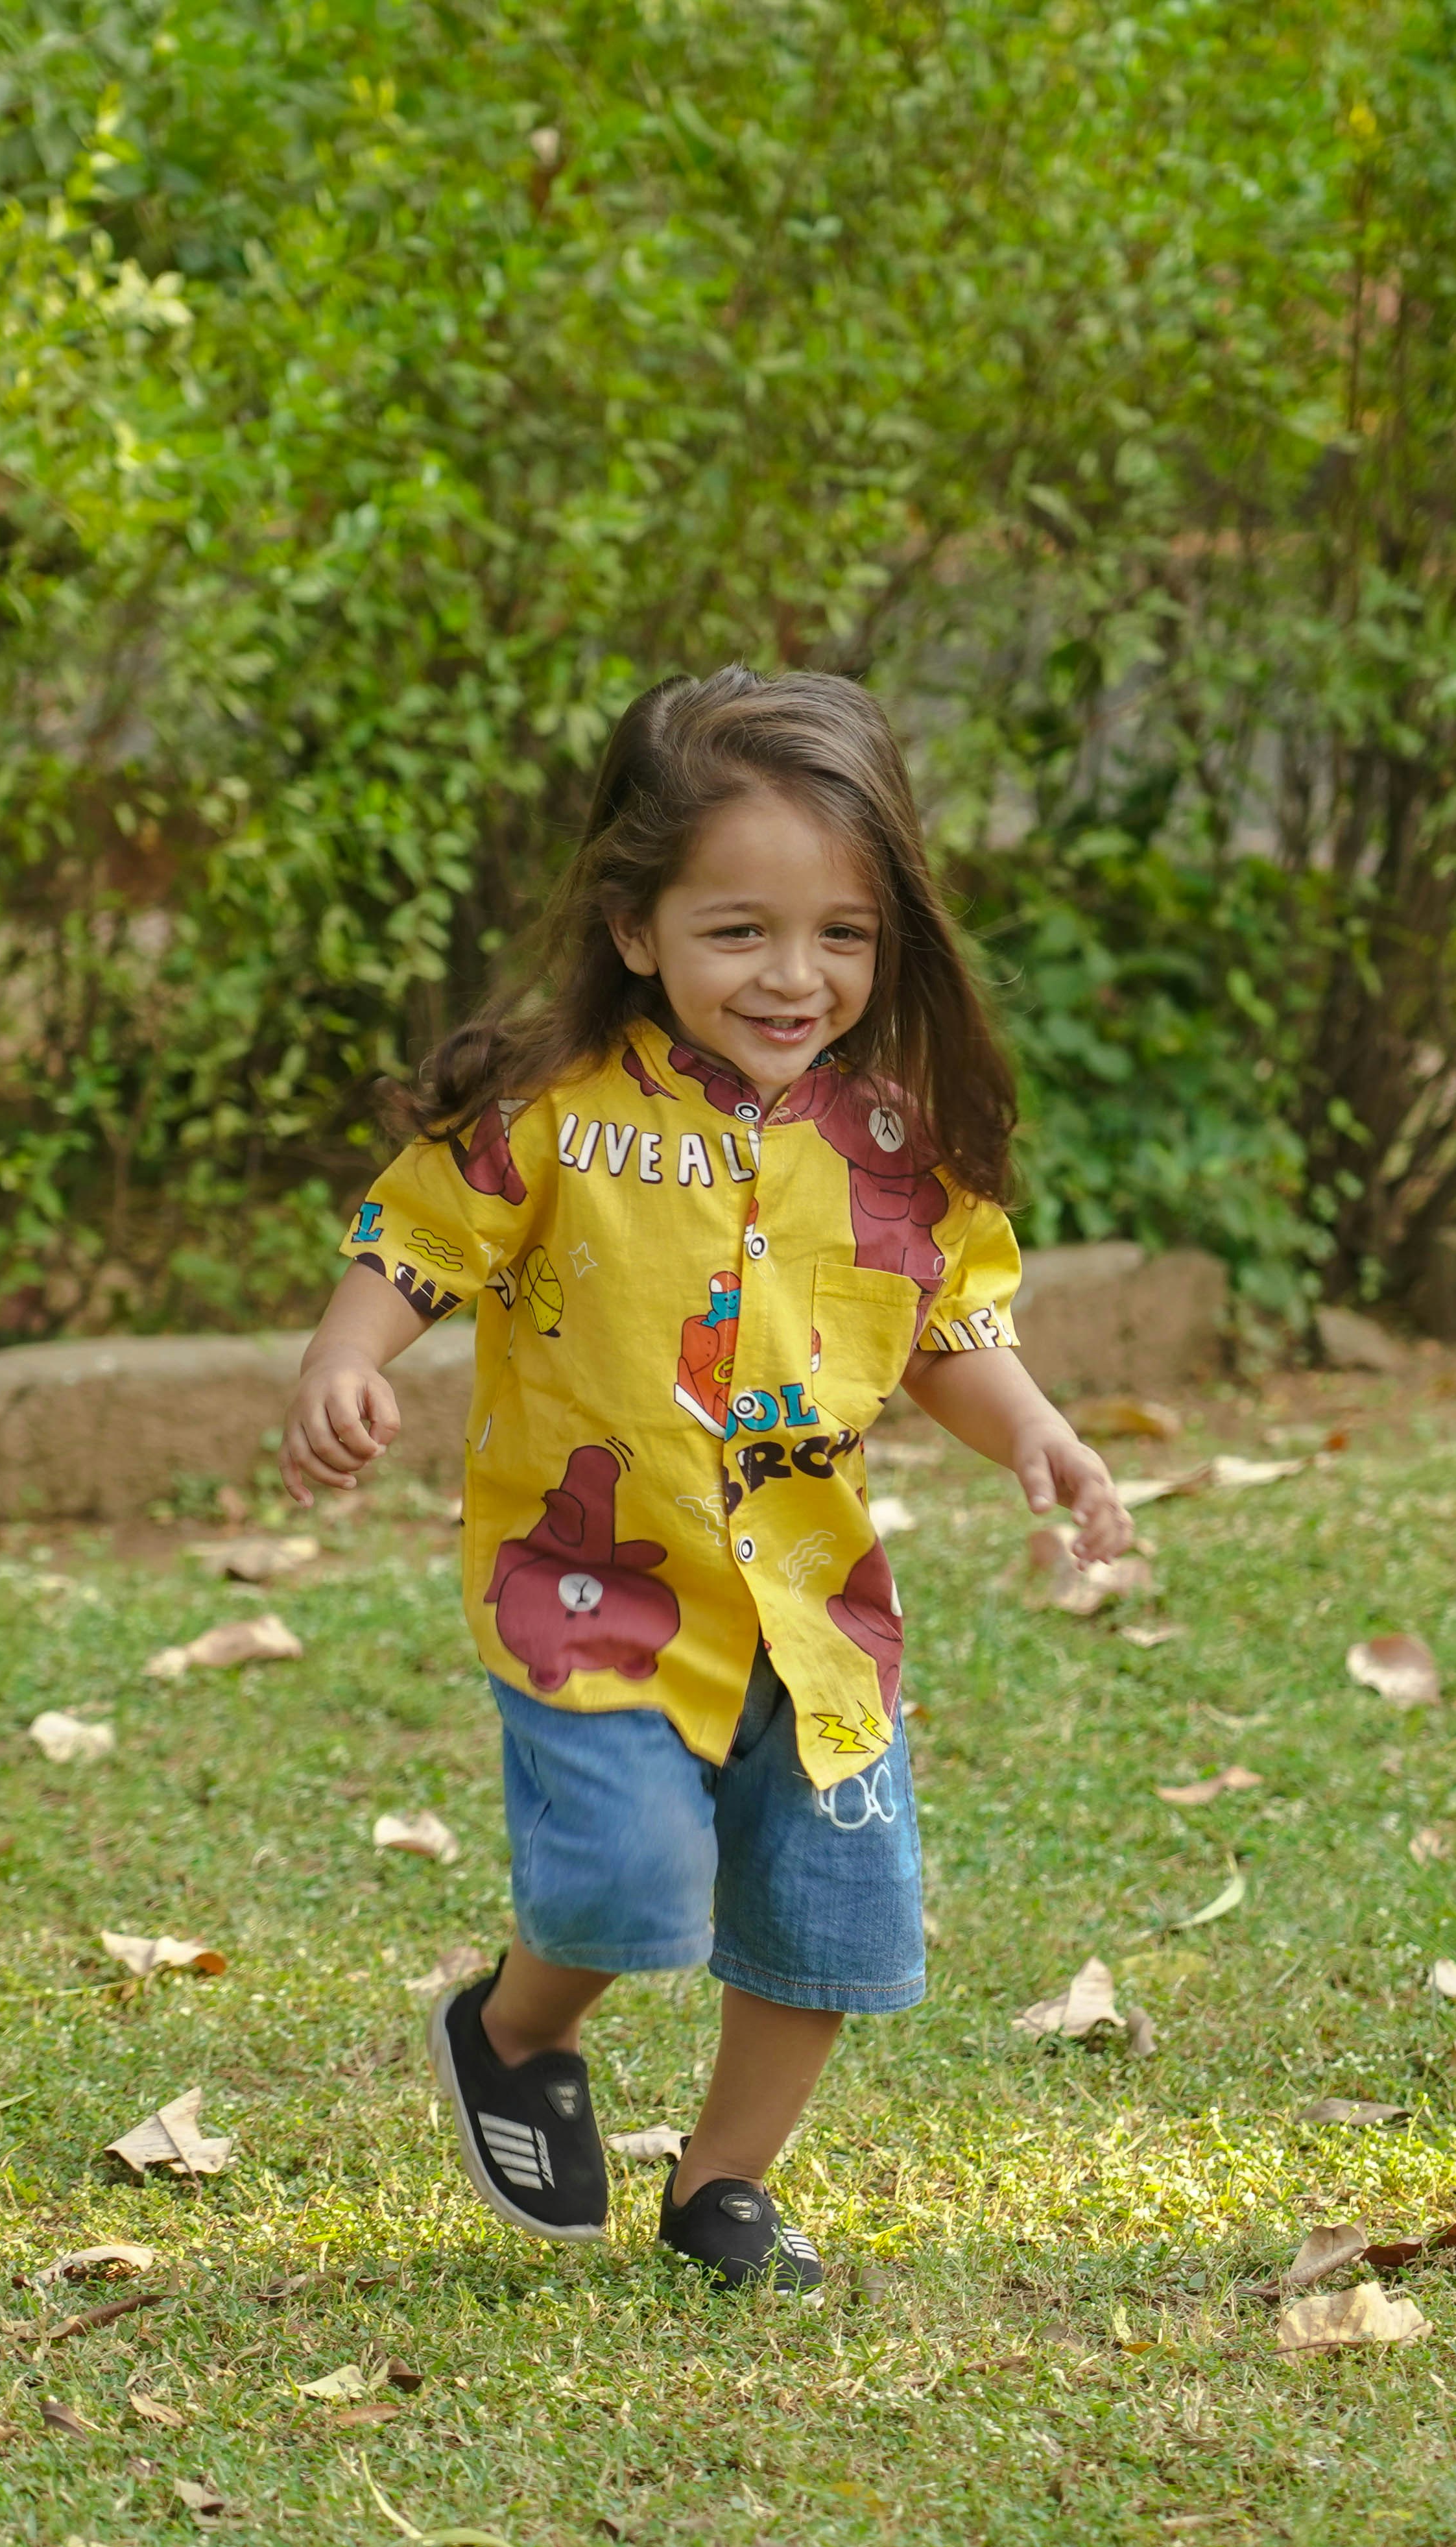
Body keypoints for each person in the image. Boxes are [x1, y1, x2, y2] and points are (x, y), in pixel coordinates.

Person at [278, 668, 1135, 2291]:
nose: (796, 976)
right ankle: (514, 2027)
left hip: (812, 1616)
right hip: (592, 1587)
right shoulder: (558, 1117)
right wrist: (345, 1355)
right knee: (622, 1880)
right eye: (739, 930)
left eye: (845, 936)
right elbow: (419, 1233)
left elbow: (938, 1321)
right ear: (633, 925)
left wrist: (1034, 1426)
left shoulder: (895, 1137)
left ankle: (726, 2183)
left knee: (826, 1915)